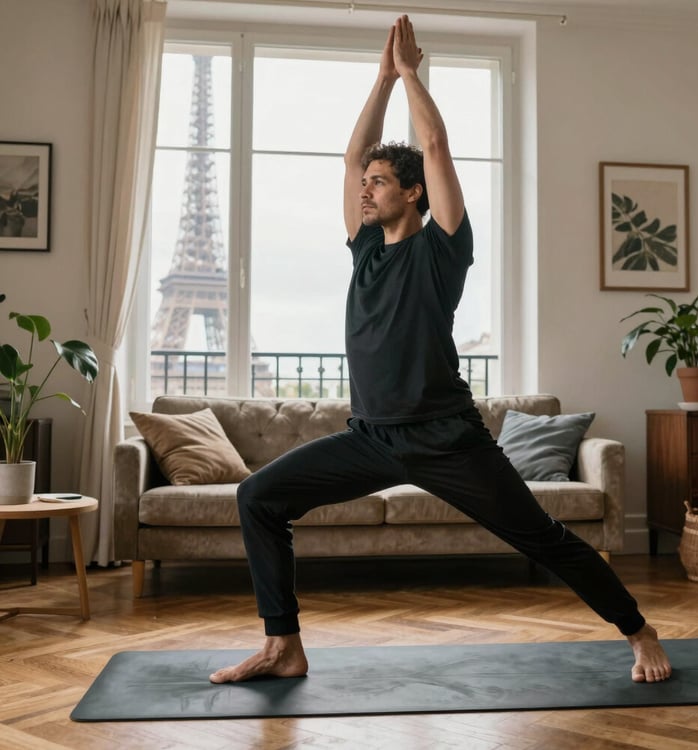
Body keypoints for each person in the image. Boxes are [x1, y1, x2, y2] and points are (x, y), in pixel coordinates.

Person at [210, 15, 672, 686]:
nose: (364, 187)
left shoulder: (441, 250)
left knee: (542, 538)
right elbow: (350, 156)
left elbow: (435, 141)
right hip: (371, 438)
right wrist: (378, 79)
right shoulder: (364, 250)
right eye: (365, 182)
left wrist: (410, 76)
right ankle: (283, 646)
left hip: (448, 440)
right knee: (258, 496)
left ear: (414, 192)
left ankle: (639, 629)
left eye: (379, 182)